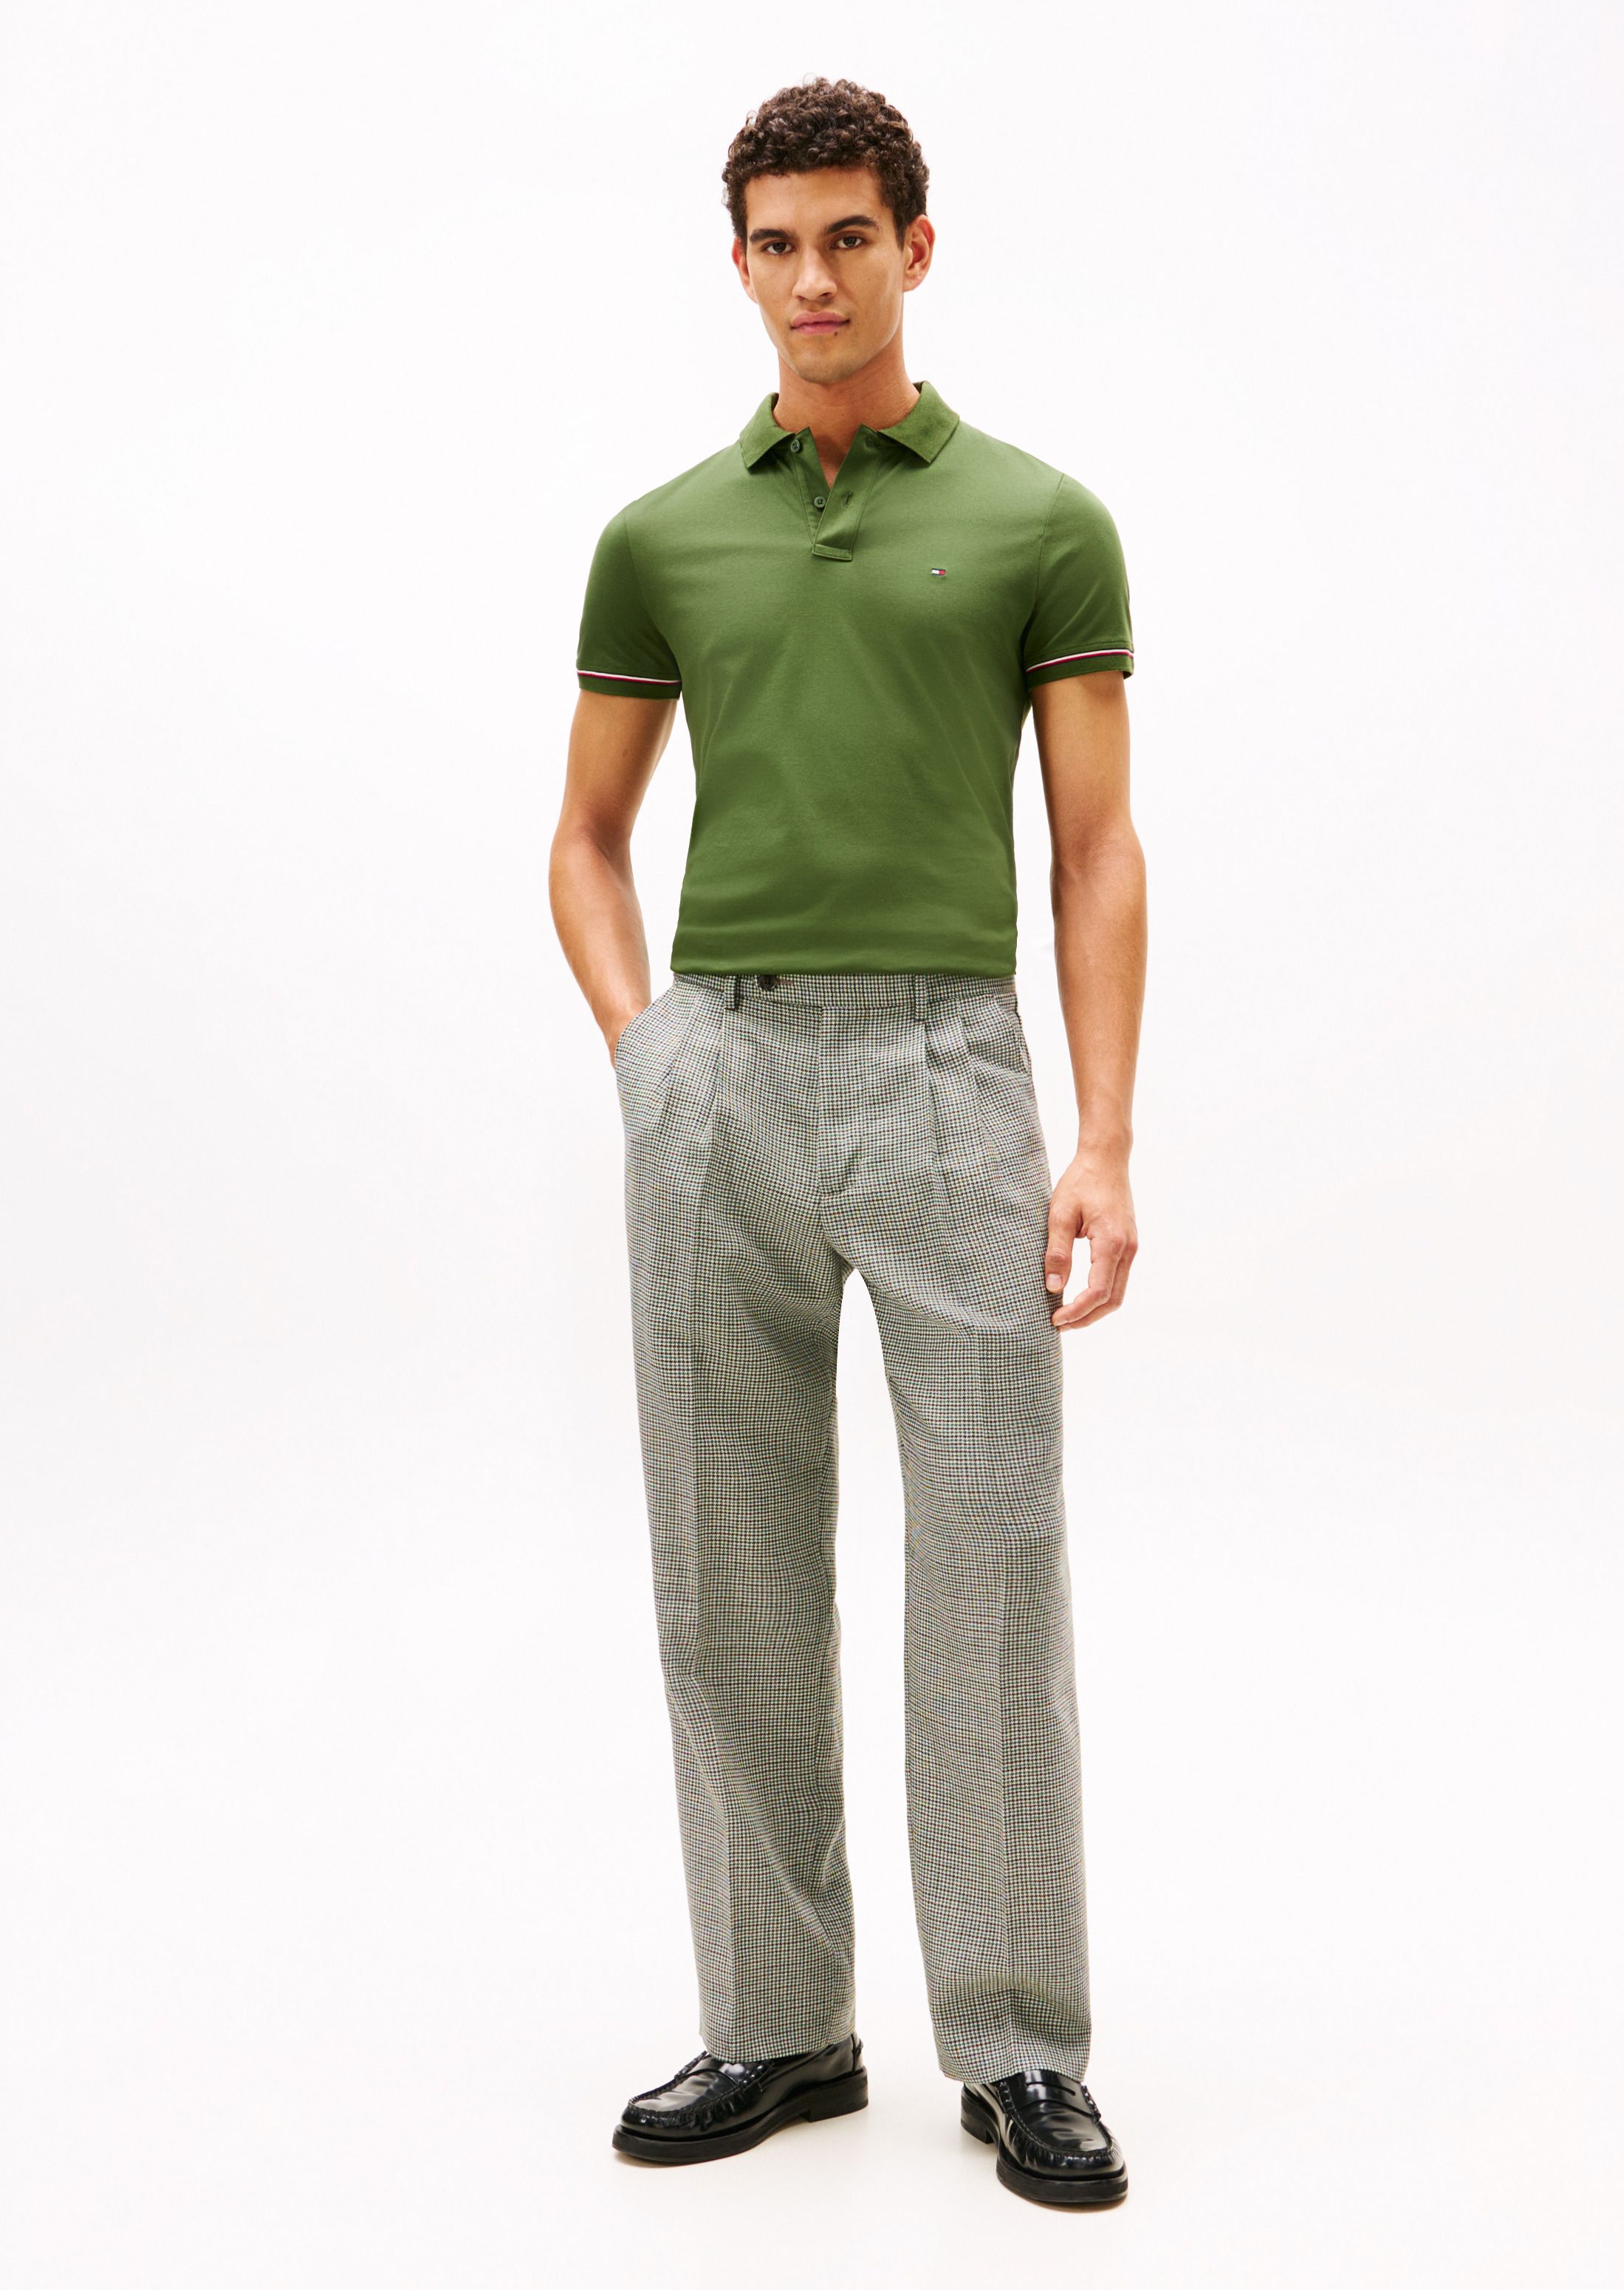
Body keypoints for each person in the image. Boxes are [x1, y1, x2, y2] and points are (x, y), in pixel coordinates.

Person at [548, 76, 1145, 2210]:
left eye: (850, 238)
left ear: (916, 246)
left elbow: (1095, 851)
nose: (815, 278)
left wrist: (1103, 1135)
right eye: (778, 244)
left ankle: (1020, 2039)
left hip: (946, 1072)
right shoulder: (662, 537)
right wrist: (650, 1055)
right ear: (740, 264)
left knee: (990, 1554)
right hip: (723, 1069)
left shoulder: (1041, 519)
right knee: (726, 1560)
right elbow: (587, 839)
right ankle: (778, 2020)